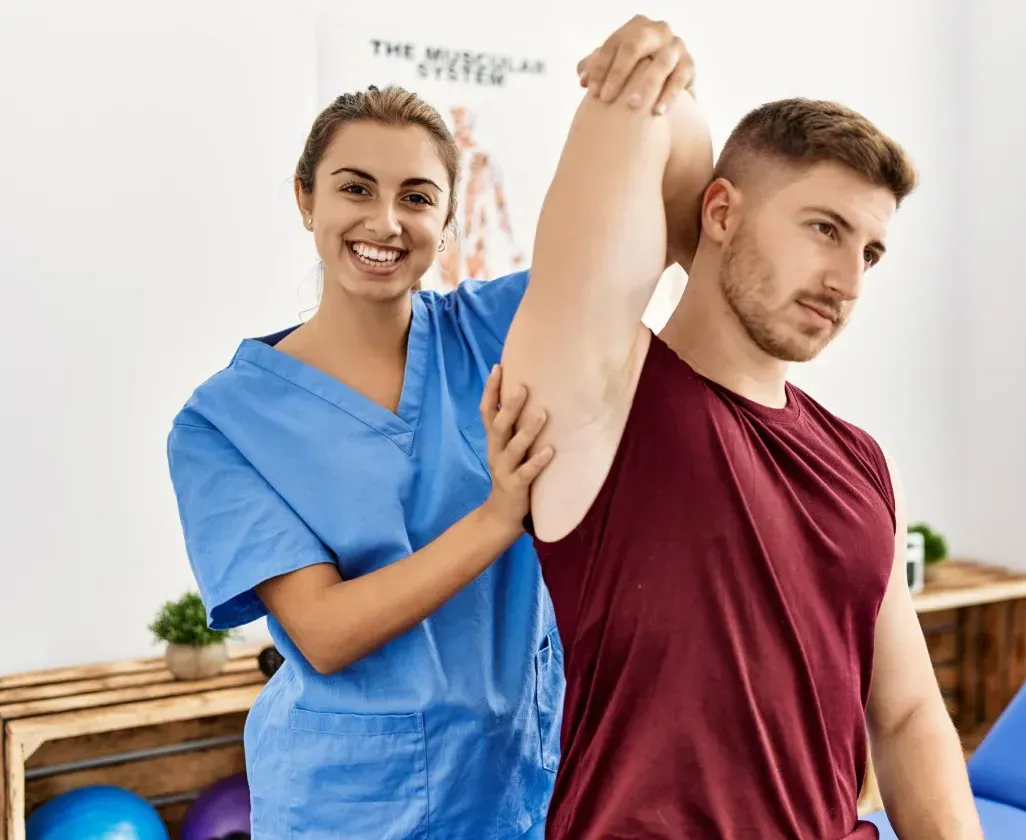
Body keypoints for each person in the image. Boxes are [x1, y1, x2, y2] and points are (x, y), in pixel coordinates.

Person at [164, 18, 698, 840]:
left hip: (527, 776)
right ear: (306, 198)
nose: (385, 222)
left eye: (417, 197)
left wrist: (666, 91)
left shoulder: (499, 330)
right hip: (348, 807)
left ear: (448, 220)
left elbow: (668, 221)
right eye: (354, 188)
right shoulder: (222, 423)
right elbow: (325, 631)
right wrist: (498, 518)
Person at [499, 21, 985, 840]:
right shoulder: (606, 399)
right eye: (823, 228)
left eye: (869, 252)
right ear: (717, 210)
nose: (845, 282)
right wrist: (670, 82)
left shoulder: (857, 459)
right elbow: (632, 123)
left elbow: (904, 716)